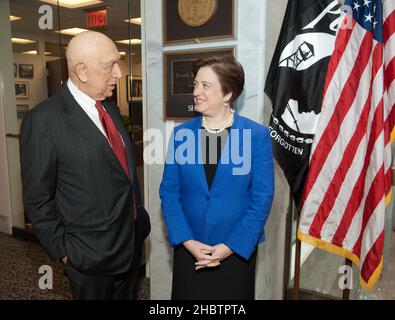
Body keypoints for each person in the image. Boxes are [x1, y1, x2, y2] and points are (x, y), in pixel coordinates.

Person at [20, 31, 150, 300]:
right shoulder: (44, 120)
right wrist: (65, 252)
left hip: (130, 244)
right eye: (110, 65)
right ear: (82, 70)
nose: (118, 73)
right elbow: (37, 199)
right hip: (89, 257)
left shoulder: (110, 110)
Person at [159, 55, 274, 299]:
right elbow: (169, 193)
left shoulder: (256, 136)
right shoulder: (181, 134)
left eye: (205, 85)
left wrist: (229, 247)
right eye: (195, 84)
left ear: (228, 94)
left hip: (234, 251)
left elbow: (261, 199)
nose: (196, 92)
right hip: (189, 250)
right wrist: (187, 241)